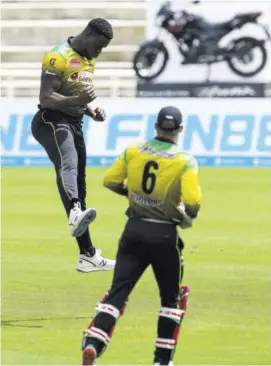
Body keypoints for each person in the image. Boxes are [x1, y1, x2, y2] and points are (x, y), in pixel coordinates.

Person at [80, 106, 202, 365]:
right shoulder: (185, 161)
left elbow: (111, 181)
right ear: (179, 130)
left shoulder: (132, 151)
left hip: (133, 230)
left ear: (155, 126)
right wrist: (183, 213)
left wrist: (135, 196)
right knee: (170, 300)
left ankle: (93, 342)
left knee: (118, 292)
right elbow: (192, 202)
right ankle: (161, 360)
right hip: (164, 235)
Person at [31, 18, 115, 273]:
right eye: (98, 46)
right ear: (88, 34)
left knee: (79, 183)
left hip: (74, 122)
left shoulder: (89, 58)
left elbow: (74, 96)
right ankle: (75, 210)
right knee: (68, 162)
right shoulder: (57, 57)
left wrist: (89, 111)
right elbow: (46, 98)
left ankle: (87, 255)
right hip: (50, 120)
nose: (99, 53)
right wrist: (78, 99)